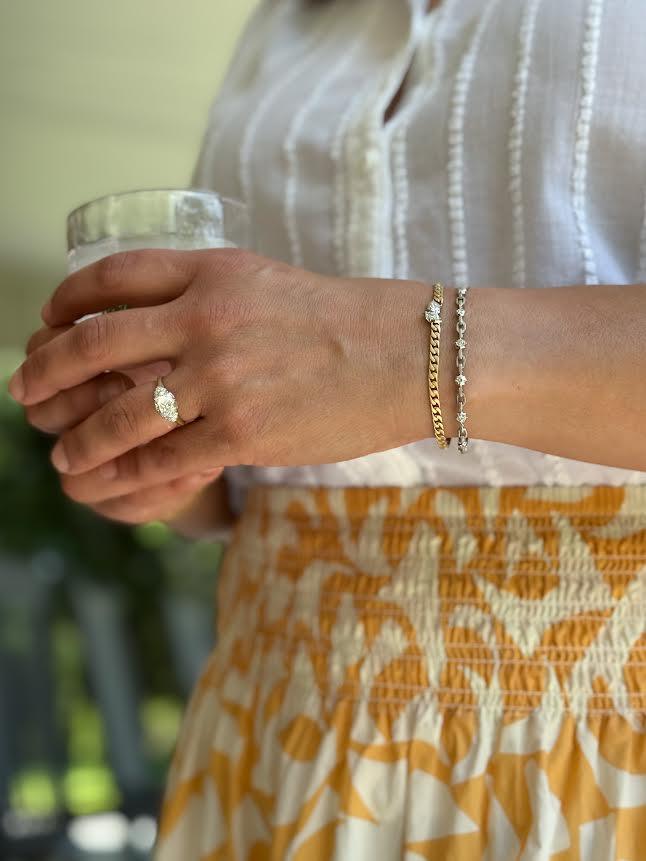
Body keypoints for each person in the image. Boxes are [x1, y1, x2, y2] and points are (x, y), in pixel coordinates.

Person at [9, 0, 646, 856]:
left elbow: (333, 362)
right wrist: (174, 470)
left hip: (599, 752)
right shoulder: (288, 22)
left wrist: (403, 356)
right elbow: (260, 462)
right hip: (279, 739)